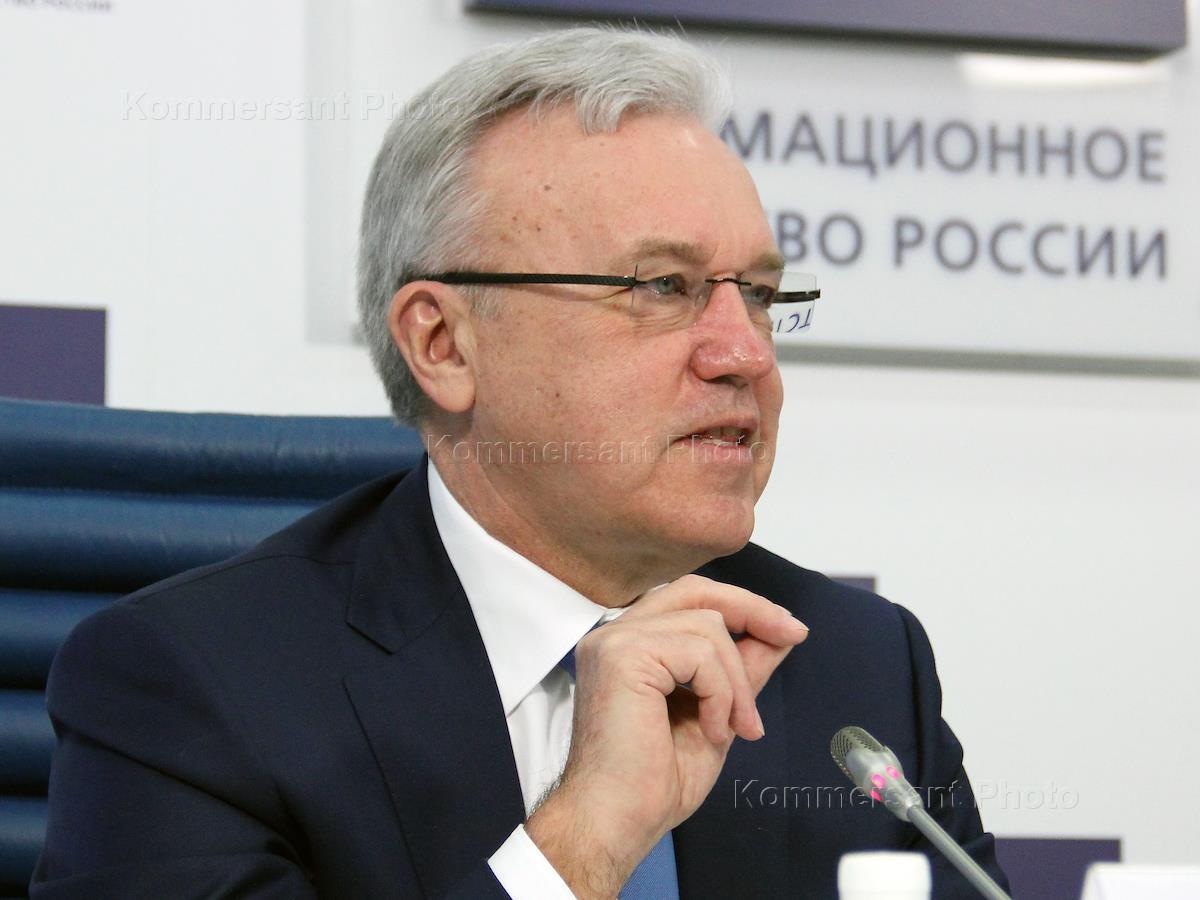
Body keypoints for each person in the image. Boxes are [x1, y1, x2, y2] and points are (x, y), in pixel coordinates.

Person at [33, 27, 1008, 899]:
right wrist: (582, 841)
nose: (743, 352)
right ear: (444, 344)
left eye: (756, 293)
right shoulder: (192, 690)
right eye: (663, 287)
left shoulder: (854, 666)